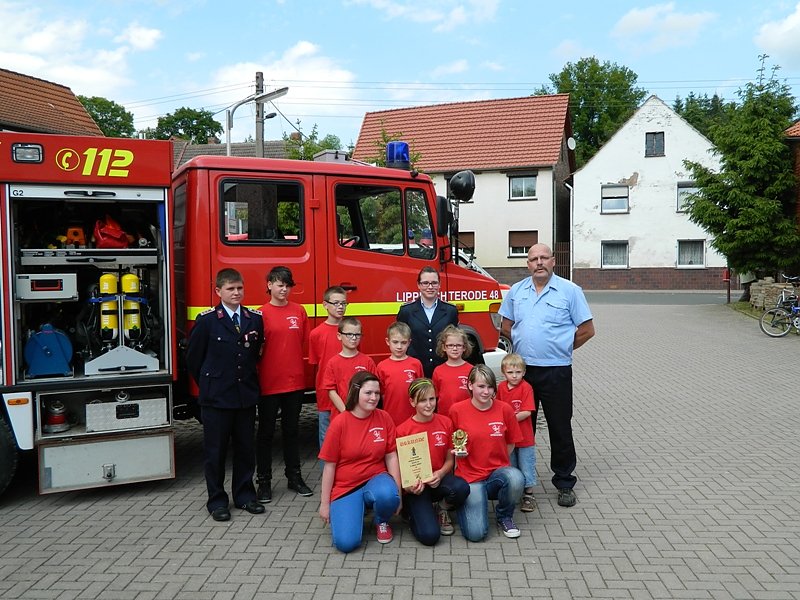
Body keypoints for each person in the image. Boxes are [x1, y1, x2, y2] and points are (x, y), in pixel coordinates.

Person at [499, 243, 595, 508]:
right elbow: (506, 327)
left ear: (553, 261)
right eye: (533, 259)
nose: (539, 262)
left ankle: (564, 482)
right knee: (520, 427)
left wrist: (561, 347)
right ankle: (519, 481)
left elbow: (587, 330)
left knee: (559, 426)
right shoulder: (516, 292)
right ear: (527, 264)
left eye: (544, 257)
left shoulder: (570, 291)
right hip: (522, 373)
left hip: (556, 371)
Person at [185, 268, 266, 522]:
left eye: (239, 288)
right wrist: (211, 385)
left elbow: (255, 355)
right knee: (215, 453)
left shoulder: (254, 319)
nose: (236, 293)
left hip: (244, 397)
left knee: (245, 450)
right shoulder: (207, 320)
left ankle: (244, 496)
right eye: (231, 289)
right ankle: (217, 501)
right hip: (217, 399)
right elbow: (194, 360)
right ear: (218, 291)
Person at [318, 371, 402, 553]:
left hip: (375, 478)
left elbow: (391, 456)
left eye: (377, 393)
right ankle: (357, 508)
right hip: (346, 485)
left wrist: (399, 493)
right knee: (346, 544)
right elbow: (329, 465)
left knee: (388, 495)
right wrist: (324, 504)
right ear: (356, 392)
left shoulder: (384, 417)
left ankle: (381, 521)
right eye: (368, 393)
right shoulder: (340, 423)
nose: (374, 398)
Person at [255, 266, 312, 504]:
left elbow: (305, 345)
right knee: (266, 433)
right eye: (279, 284)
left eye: (287, 285)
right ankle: (264, 482)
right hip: (268, 383)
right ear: (269, 285)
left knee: (291, 431)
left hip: (294, 383)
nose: (283, 289)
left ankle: (294, 477)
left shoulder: (299, 312)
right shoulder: (259, 314)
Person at [449, 364, 524, 541]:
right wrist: (457, 454)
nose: (486, 392)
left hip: (496, 474)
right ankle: (467, 503)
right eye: (481, 386)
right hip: (470, 477)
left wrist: (496, 459)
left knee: (515, 477)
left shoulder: (504, 409)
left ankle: (504, 516)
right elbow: (452, 443)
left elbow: (511, 443)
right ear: (470, 385)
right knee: (476, 535)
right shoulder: (456, 410)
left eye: (490, 387)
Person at [395, 378, 470, 545]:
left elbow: (450, 459)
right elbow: (401, 468)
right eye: (422, 400)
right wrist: (409, 487)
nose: (429, 405)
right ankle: (411, 513)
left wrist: (440, 473)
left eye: (432, 399)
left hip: (438, 480)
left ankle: (442, 508)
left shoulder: (445, 423)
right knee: (430, 537)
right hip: (417, 488)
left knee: (462, 488)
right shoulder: (403, 430)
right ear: (412, 402)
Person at [397, 266, 458, 378]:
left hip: (443, 369)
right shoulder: (407, 311)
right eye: (425, 283)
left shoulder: (450, 311)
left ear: (439, 285)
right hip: (415, 369)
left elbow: (455, 339)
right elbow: (400, 340)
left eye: (434, 283)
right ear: (418, 285)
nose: (430, 287)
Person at [496, 353, 537, 513]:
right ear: (503, 373)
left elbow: (527, 411)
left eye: (518, 372)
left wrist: (510, 419)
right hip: (508, 437)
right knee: (511, 464)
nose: (514, 376)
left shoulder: (526, 388)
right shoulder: (500, 388)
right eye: (510, 372)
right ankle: (514, 490)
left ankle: (529, 494)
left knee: (526, 465)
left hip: (525, 437)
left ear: (524, 372)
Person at [309, 286, 348, 449]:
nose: (340, 307)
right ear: (325, 305)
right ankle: (327, 473)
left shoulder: (350, 331)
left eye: (344, 303)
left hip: (346, 391)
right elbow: (317, 365)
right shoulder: (316, 334)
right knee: (326, 437)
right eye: (336, 303)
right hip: (326, 394)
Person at [320, 317, 376, 418]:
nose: (354, 338)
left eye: (357, 334)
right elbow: (331, 391)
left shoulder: (368, 361)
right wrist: (345, 412)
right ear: (339, 336)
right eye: (349, 334)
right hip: (342, 416)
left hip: (365, 414)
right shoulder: (333, 363)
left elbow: (373, 389)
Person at [376, 321, 423, 426]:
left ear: (409, 342)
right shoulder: (381, 366)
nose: (399, 346)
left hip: (414, 418)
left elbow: (421, 392)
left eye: (403, 342)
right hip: (391, 418)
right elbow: (382, 394)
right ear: (388, 341)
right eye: (395, 342)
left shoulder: (416, 364)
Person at [431, 325, 474, 417]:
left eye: (458, 345)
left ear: (464, 347)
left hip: (467, 415)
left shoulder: (471, 370)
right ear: (444, 347)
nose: (454, 349)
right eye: (450, 345)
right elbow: (435, 396)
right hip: (444, 416)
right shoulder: (438, 371)